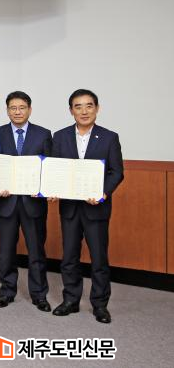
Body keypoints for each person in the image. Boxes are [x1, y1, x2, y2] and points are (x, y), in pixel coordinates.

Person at [49, 89, 124, 324]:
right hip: (70, 208)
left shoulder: (109, 137)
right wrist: (52, 188)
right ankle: (70, 300)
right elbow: (55, 169)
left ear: (97, 109)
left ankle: (100, 305)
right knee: (69, 257)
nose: (84, 111)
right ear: (71, 110)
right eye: (78, 106)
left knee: (98, 258)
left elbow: (116, 172)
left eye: (89, 106)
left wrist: (103, 192)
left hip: (96, 208)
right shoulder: (60, 136)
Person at [0, 91, 52, 312]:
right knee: (6, 251)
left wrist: (44, 188)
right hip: (5, 203)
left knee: (36, 251)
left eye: (22, 107)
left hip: (33, 203)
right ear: (7, 110)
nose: (17, 112)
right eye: (13, 108)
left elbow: (49, 168)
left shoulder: (43, 134)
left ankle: (39, 294)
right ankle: (7, 292)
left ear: (30, 109)